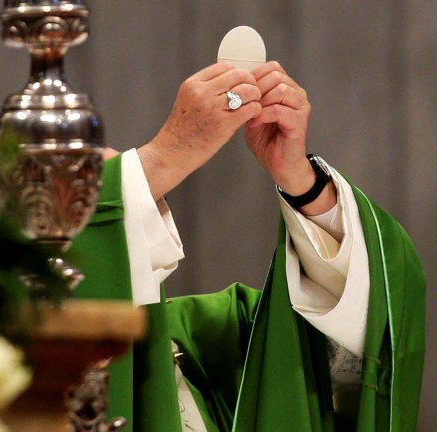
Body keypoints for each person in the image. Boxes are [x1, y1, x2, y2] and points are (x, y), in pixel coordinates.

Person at [70, 61, 425, 431]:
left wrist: (304, 184)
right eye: (124, 190)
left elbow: (362, 319)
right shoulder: (13, 353)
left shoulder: (206, 342)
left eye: (107, 191)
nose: (135, 200)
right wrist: (163, 157)